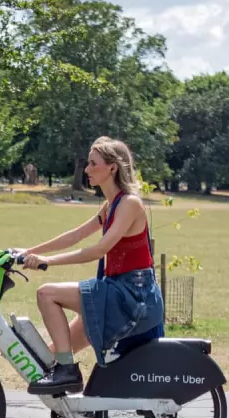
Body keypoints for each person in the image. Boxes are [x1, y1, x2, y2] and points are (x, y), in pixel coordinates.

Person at [19, 136, 164, 396]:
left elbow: (99, 249)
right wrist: (27, 252)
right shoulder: (111, 206)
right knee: (54, 354)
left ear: (112, 168)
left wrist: (47, 262)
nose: (86, 170)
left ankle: (69, 373)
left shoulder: (129, 204)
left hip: (132, 297)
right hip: (116, 291)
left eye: (92, 164)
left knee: (47, 294)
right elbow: (75, 235)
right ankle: (77, 415)